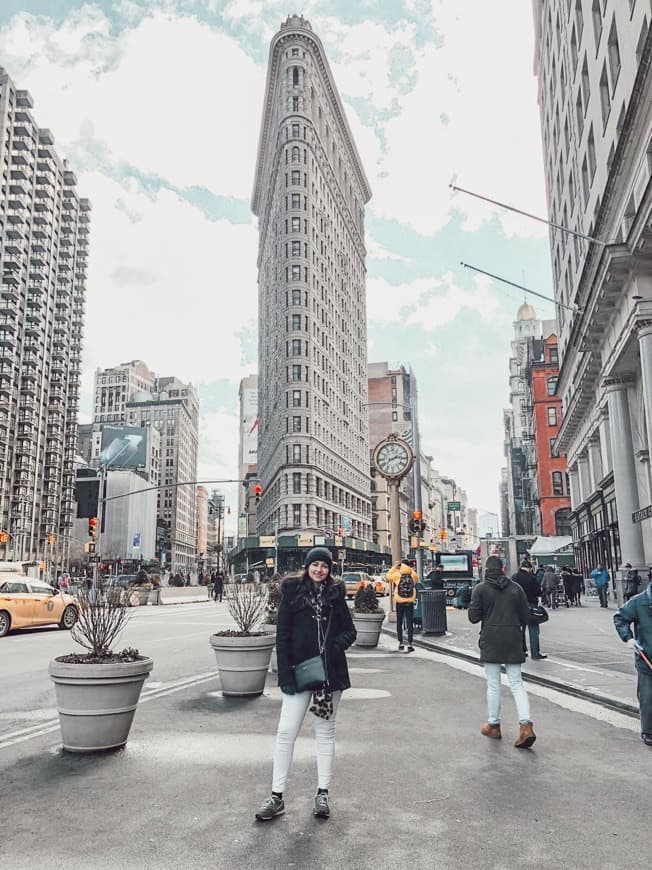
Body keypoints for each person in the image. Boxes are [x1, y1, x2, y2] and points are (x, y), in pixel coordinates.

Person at [255, 547, 356, 822]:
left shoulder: (336, 596)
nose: (319, 569)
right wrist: (285, 675)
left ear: (329, 569)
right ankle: (276, 796)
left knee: (325, 732)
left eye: (324, 565)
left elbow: (350, 631)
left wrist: (333, 648)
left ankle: (322, 793)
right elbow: (282, 636)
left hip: (329, 676)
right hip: (299, 674)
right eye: (315, 565)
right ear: (307, 566)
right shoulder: (291, 592)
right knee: (286, 732)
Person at [468, 554, 536, 749]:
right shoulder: (516, 589)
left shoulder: (480, 589)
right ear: (503, 569)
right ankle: (525, 725)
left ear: (486, 570)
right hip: (513, 638)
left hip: (491, 639)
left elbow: (473, 617)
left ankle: (494, 724)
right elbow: (526, 615)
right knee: (516, 682)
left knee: (494, 683)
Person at [613, 576, 652, 746]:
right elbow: (620, 618)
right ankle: (649, 731)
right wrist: (628, 638)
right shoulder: (638, 602)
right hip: (647, 656)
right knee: (647, 696)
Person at [512, 560, 547, 660]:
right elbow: (538, 592)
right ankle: (535, 653)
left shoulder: (514, 577)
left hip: (517, 606)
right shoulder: (531, 578)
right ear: (529, 568)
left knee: (520, 630)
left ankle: (522, 651)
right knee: (534, 630)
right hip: (531, 606)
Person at [387, 560, 419, 653]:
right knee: (409, 622)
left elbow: (388, 576)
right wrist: (410, 570)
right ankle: (410, 643)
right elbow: (417, 580)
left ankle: (401, 642)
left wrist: (395, 567)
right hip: (409, 602)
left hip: (399, 601)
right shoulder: (413, 575)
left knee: (399, 622)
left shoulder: (397, 575)